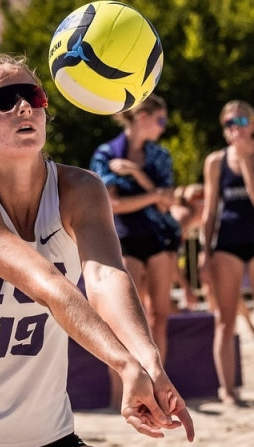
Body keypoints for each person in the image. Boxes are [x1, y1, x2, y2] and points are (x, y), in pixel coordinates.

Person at [0, 54, 194, 447]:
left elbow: (105, 276)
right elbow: (47, 284)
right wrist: (123, 363)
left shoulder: (81, 189)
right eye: (4, 99)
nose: (24, 106)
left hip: (47, 436)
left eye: (34, 96)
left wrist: (148, 360)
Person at [199, 100, 254, 405]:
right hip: (228, 243)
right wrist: (205, 252)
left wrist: (246, 158)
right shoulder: (216, 162)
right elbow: (209, 210)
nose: (236, 128)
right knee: (225, 320)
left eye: (241, 121)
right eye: (230, 124)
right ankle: (229, 392)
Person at [89, 94, 179, 363]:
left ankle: (159, 384)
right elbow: (114, 204)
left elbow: (168, 204)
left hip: (158, 238)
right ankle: (129, 391)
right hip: (123, 240)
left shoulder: (159, 155)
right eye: (160, 119)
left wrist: (136, 173)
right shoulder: (107, 154)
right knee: (130, 323)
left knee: (159, 319)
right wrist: (155, 195)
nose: (163, 126)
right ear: (142, 117)